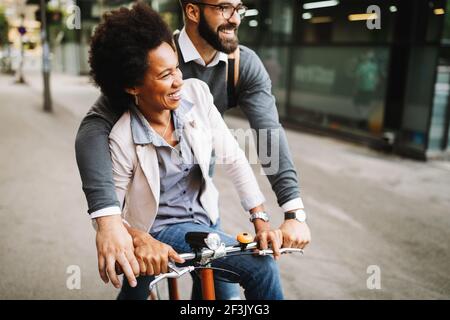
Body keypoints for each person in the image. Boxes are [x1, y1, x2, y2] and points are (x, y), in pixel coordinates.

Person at [75, 0, 311, 299]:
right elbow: (92, 133)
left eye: (239, 7)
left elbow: (248, 150)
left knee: (222, 291)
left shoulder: (203, 88)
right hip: (155, 226)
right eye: (224, 7)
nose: (178, 81)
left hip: (203, 213)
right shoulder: (125, 125)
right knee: (139, 282)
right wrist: (122, 232)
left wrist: (272, 216)